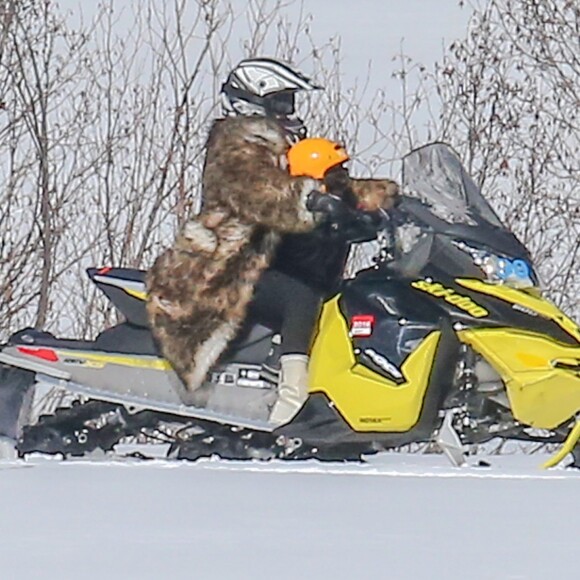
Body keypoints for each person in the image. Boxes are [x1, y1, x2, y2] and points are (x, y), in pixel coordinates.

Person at [146, 57, 398, 425]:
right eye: (281, 102)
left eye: (290, 102)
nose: (289, 111)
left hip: (266, 260)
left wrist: (384, 200)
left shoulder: (279, 147)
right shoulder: (235, 146)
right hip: (224, 266)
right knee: (300, 295)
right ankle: (290, 402)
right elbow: (262, 191)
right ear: (252, 101)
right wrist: (311, 200)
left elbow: (331, 185)